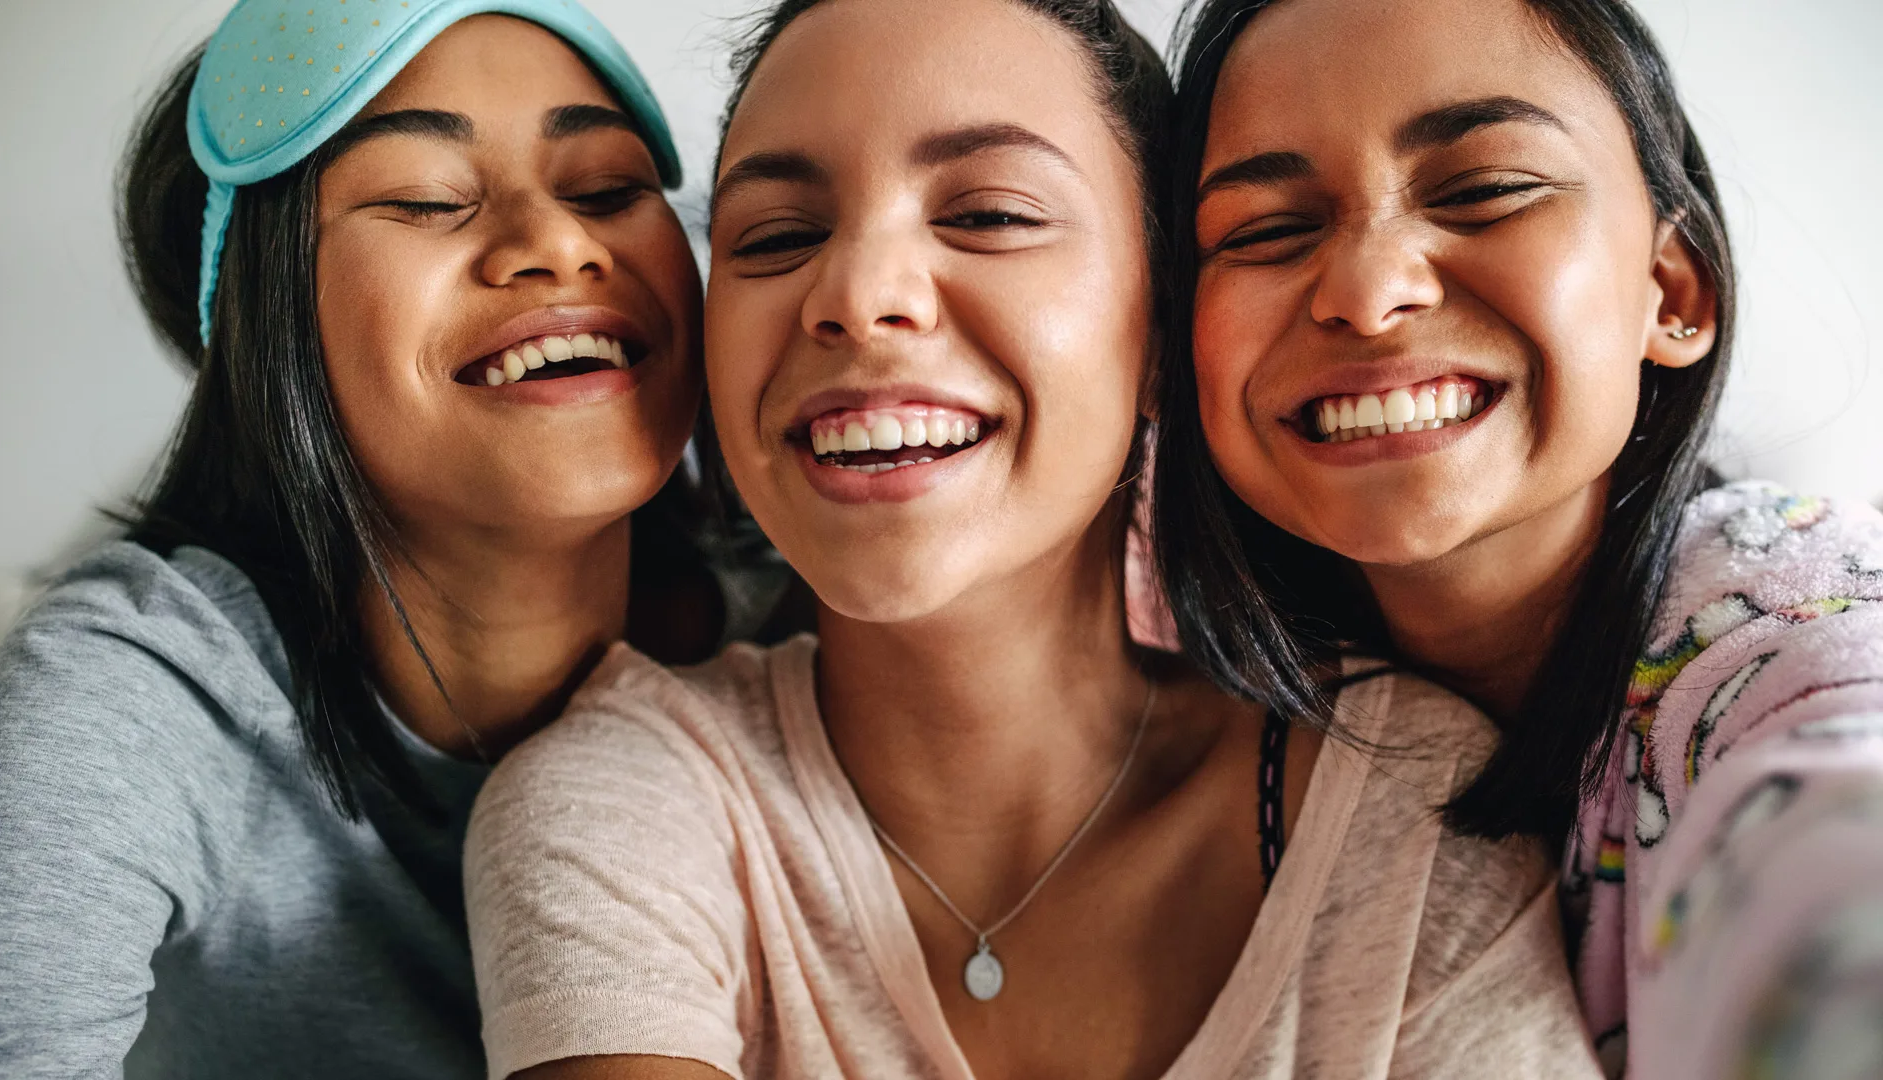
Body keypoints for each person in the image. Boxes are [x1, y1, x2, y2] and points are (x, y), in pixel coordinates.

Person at [463, 1, 1600, 1077]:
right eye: (780, 235)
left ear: (1165, 334)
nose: (856, 293)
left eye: (989, 215)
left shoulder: (1411, 802)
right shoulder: (627, 803)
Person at [0, 3, 785, 1076]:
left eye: (606, 191)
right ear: (263, 315)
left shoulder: (808, 633)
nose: (557, 244)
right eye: (428, 199)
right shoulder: (135, 696)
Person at [1152, 0, 1883, 1076]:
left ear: (1673, 292)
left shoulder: (1786, 623)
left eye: (1483, 191)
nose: (1366, 290)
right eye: (1266, 231)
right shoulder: (1142, 641)